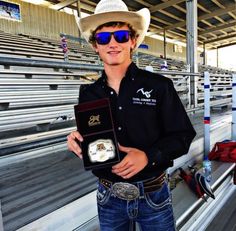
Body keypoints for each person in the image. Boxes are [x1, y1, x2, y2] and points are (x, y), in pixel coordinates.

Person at [67, 0, 196, 230]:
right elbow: (95, 138)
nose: (113, 43)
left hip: (154, 196)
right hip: (109, 198)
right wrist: (78, 141)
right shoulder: (88, 93)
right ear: (95, 45)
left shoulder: (159, 86)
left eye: (121, 36)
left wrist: (148, 156)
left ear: (133, 41)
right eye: (104, 38)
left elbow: (183, 136)